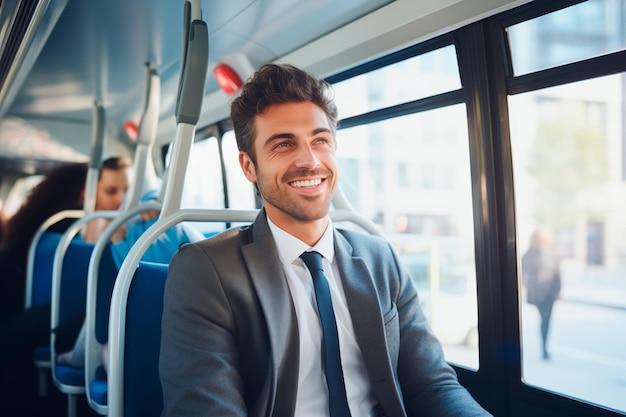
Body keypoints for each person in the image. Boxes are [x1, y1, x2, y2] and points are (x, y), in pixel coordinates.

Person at [159, 63, 492, 416]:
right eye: (284, 144)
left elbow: (432, 384)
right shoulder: (205, 270)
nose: (309, 160)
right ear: (249, 167)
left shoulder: (381, 259)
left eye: (320, 140)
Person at [0, 157, 131, 417]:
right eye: (111, 191)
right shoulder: (76, 227)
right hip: (77, 307)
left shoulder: (133, 226)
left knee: (10, 336)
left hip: (95, 311)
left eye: (126, 191)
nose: (120, 200)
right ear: (87, 193)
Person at [521, 226, 561, 360]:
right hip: (538, 294)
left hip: (549, 293)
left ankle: (544, 348)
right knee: (544, 321)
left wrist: (558, 290)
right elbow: (522, 274)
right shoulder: (529, 254)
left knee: (545, 321)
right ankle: (544, 348)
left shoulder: (551, 254)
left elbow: (557, 274)